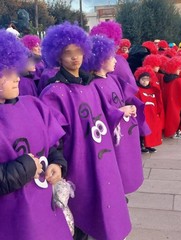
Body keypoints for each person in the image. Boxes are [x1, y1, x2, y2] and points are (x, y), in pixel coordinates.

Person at [40, 22, 131, 240]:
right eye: (68, 53)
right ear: (57, 57)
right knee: (79, 211)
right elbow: (52, 136)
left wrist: (123, 112)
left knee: (104, 205)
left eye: (79, 51)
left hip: (102, 157)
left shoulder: (90, 85)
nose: (74, 58)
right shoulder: (53, 92)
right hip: (77, 160)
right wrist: (59, 163)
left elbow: (105, 115)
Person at [0, 29, 72, 240]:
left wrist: (57, 164)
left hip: (45, 211)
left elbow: (54, 145)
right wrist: (24, 168)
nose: (16, 77)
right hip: (12, 222)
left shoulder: (33, 105)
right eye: (5, 72)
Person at [87, 34, 144, 194]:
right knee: (117, 164)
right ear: (101, 60)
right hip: (112, 135)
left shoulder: (112, 79)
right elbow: (99, 112)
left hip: (124, 132)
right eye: (111, 57)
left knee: (126, 163)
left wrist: (130, 107)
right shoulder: (93, 85)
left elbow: (123, 98)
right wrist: (120, 111)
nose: (115, 60)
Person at [135, 66, 163, 152]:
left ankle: (149, 145)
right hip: (143, 114)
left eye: (147, 79)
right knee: (142, 130)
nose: (144, 81)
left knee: (151, 129)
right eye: (143, 79)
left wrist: (158, 111)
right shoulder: (137, 90)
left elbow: (157, 101)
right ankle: (142, 145)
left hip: (152, 113)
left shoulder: (152, 89)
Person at [162, 56, 181, 139]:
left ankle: (172, 131)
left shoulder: (165, 78)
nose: (179, 70)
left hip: (169, 101)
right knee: (179, 117)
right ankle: (177, 132)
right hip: (177, 102)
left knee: (171, 117)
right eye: (178, 69)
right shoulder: (178, 80)